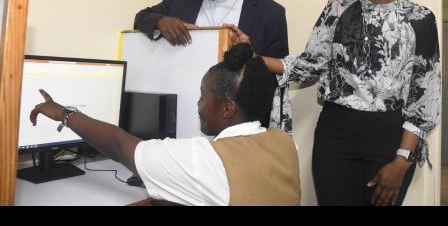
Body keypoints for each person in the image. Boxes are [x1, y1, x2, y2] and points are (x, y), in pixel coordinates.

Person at [226, 0, 440, 206]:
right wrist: (254, 58)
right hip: (335, 135)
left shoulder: (420, 20)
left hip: (390, 140)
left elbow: (424, 99)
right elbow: (311, 65)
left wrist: (402, 161)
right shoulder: (340, 5)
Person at [29, 43, 301, 206]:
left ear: (227, 108)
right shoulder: (286, 143)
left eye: (204, 96)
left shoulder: (207, 160)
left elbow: (119, 144)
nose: (198, 104)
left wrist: (64, 113)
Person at [134, 0, 292, 133]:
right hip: (181, 119)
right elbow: (141, 18)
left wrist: (249, 57)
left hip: (237, 132)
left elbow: (277, 80)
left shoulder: (270, 14)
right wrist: (161, 21)